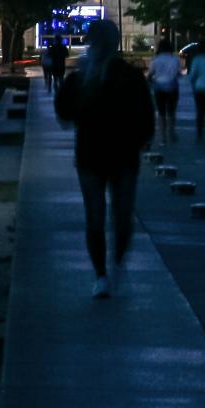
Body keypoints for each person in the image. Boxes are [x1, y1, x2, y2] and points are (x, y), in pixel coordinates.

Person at [54, 18, 154, 299]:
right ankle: (104, 272)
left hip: (109, 153)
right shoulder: (86, 77)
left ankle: (109, 269)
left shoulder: (124, 75)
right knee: (103, 217)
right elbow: (64, 108)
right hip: (104, 154)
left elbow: (144, 112)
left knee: (112, 217)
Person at [147, 38, 182, 142]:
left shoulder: (155, 59)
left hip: (159, 87)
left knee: (161, 113)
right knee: (171, 112)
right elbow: (178, 74)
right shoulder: (175, 59)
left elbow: (150, 74)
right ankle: (171, 134)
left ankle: (162, 137)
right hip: (172, 87)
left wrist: (151, 82)